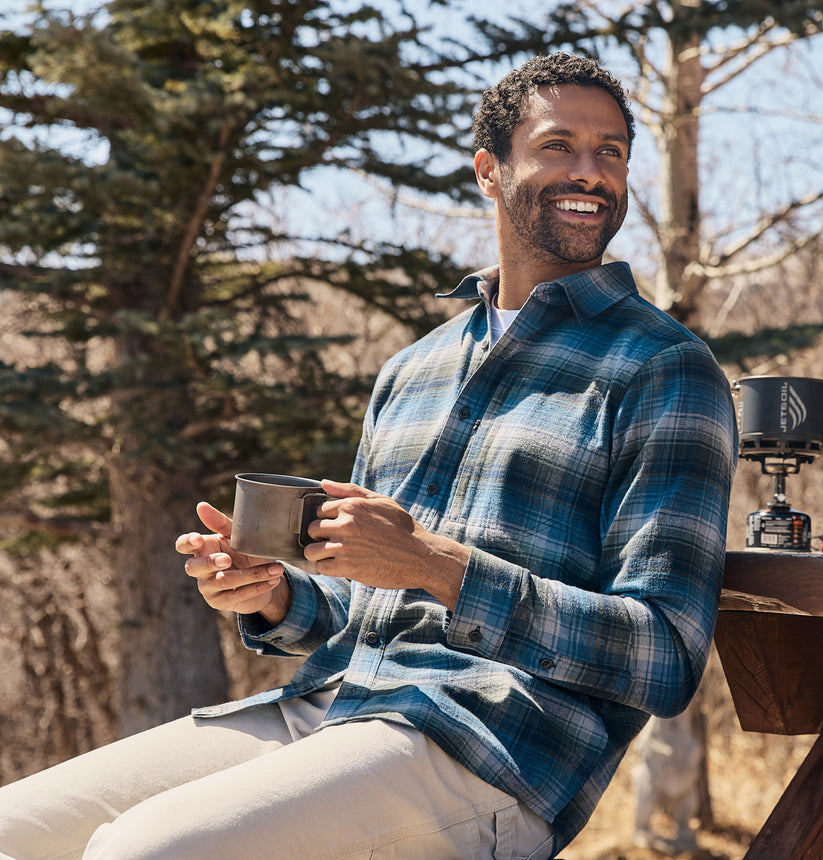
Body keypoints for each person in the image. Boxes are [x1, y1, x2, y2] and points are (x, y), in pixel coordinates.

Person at [0, 53, 738, 860]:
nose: (591, 172)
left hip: (490, 753)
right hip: (334, 705)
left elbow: (664, 656)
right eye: (559, 146)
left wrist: (437, 565)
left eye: (612, 152)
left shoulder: (664, 368)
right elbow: (369, 608)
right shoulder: (413, 370)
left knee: (142, 852)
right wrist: (279, 597)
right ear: (490, 171)